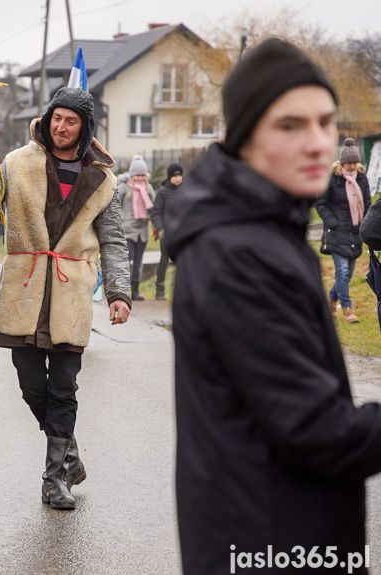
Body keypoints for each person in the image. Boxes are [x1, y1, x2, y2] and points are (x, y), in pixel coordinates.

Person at [164, 38, 381, 575]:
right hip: (266, 543)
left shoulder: (263, 228)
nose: (318, 144)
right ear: (245, 139)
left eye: (326, 123)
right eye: (290, 125)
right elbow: (315, 429)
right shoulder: (238, 252)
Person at [0, 87, 132, 510]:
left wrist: (118, 293)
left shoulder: (104, 180)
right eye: (57, 118)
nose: (61, 127)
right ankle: (69, 453)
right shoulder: (16, 164)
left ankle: (54, 480)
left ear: (84, 127)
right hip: (24, 287)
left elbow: (114, 240)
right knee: (32, 385)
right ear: (48, 118)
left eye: (71, 121)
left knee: (64, 386)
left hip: (71, 290)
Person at [316, 138, 371, 323]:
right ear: (342, 163)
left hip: (355, 233)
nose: (353, 166)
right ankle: (348, 310)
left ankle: (331, 300)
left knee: (347, 275)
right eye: (349, 163)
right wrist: (333, 222)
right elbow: (321, 204)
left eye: (355, 163)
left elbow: (368, 204)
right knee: (342, 272)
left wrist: (366, 227)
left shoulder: (362, 178)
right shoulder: (332, 179)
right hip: (337, 232)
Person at [117, 155, 155, 301]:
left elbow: (153, 208)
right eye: (137, 175)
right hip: (127, 230)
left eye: (142, 175)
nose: (139, 177)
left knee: (139, 261)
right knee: (128, 258)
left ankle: (136, 290)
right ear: (132, 175)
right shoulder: (123, 187)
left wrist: (157, 223)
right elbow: (114, 205)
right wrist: (122, 217)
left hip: (142, 231)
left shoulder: (148, 188)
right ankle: (123, 289)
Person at [149, 162, 182, 300]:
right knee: (164, 259)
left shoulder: (185, 190)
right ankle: (159, 290)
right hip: (166, 233)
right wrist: (160, 229)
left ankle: (179, 291)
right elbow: (155, 212)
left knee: (181, 262)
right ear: (169, 177)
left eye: (180, 175)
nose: (178, 178)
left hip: (180, 232)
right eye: (175, 176)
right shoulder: (162, 192)